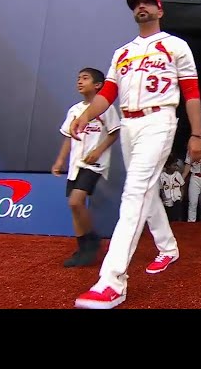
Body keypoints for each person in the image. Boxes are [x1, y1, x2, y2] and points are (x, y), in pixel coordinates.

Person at [70, 0, 201, 309]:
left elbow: (192, 92)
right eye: (135, 4)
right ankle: (168, 248)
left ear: (160, 10)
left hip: (159, 120)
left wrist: (198, 133)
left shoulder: (175, 45)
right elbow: (108, 94)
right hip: (130, 124)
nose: (140, 7)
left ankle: (112, 281)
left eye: (146, 2)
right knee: (145, 191)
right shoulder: (122, 52)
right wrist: (85, 115)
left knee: (134, 194)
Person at [51, 67, 120, 267]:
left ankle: (92, 241)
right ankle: (83, 248)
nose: (80, 81)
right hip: (75, 164)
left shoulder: (106, 107)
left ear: (98, 85)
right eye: (78, 78)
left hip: (94, 164)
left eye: (85, 78)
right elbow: (67, 137)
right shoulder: (74, 110)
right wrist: (60, 160)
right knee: (74, 207)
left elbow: (114, 132)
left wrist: (98, 151)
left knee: (75, 201)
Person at [159, 156, 185, 222]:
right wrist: (163, 198)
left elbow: (182, 185)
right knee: (169, 218)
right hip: (167, 201)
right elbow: (161, 189)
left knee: (178, 217)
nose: (175, 167)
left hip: (177, 199)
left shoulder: (177, 174)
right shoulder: (162, 176)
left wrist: (181, 196)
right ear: (168, 166)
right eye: (174, 165)